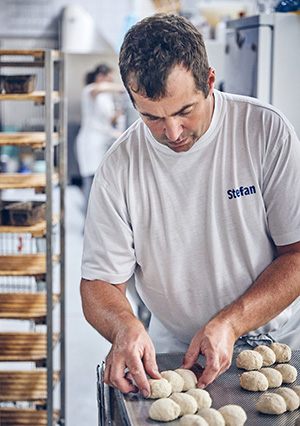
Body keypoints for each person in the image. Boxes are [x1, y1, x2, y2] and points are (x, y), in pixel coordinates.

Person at [80, 13, 300, 398]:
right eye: (151, 117)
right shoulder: (120, 166)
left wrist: (230, 324)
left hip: (276, 343)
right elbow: (99, 283)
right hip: (178, 353)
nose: (172, 133)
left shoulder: (265, 132)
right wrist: (124, 327)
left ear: (210, 81)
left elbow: (296, 254)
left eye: (184, 111)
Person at [76, 63, 124, 214]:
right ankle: (87, 226)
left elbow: (109, 121)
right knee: (91, 183)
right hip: (90, 143)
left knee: (100, 184)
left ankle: (97, 222)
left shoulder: (106, 97)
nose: (109, 82)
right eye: (108, 79)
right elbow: (99, 88)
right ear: (99, 77)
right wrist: (125, 88)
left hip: (102, 143)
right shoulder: (90, 89)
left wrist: (118, 115)